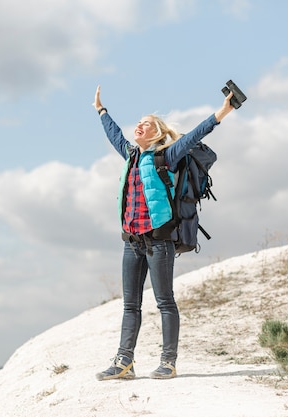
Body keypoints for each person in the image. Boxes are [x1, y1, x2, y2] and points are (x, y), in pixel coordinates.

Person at [93, 85, 235, 380]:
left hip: (159, 242)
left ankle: (168, 362)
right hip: (131, 242)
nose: (139, 126)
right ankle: (124, 362)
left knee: (165, 302)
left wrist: (223, 111)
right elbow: (115, 135)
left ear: (157, 133)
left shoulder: (167, 156)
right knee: (130, 305)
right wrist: (101, 111)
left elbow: (197, 134)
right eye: (139, 122)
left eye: (146, 123)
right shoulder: (131, 156)